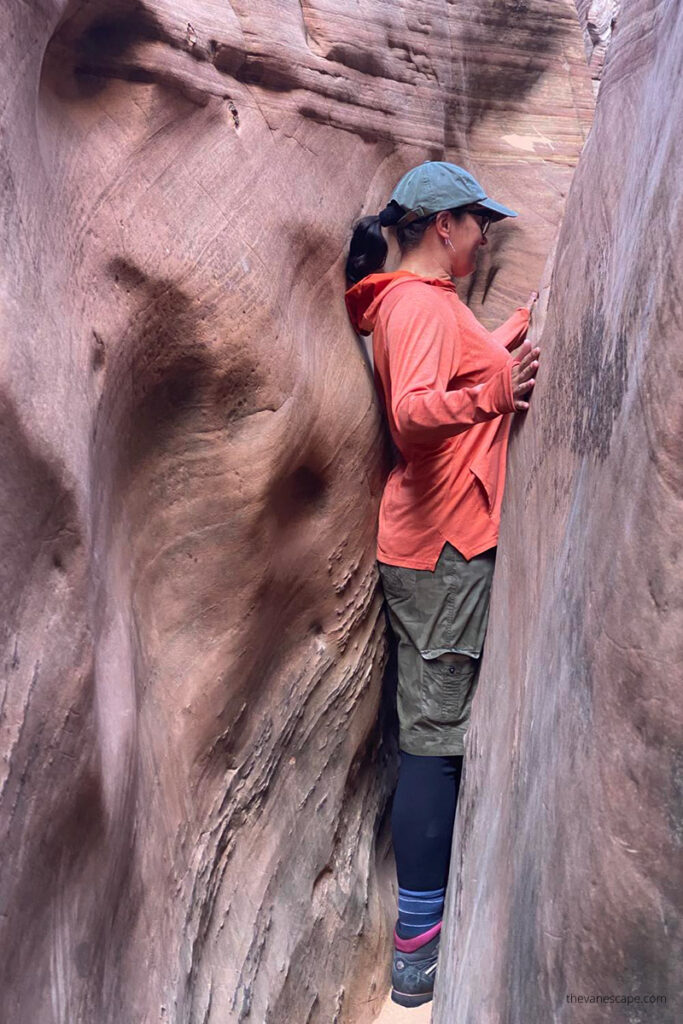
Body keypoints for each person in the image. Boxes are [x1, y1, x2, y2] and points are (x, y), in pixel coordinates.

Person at [344, 161, 540, 1008]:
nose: (484, 234)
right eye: (476, 221)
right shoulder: (420, 304)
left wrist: (504, 341)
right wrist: (496, 387)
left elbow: (448, 372)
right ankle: (417, 947)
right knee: (435, 737)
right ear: (441, 227)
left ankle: (420, 926)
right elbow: (415, 413)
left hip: (431, 544)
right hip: (440, 547)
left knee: (435, 725)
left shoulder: (418, 304)